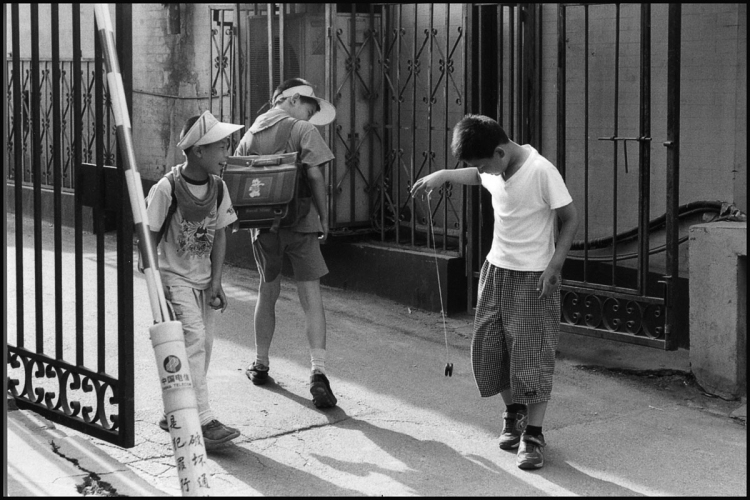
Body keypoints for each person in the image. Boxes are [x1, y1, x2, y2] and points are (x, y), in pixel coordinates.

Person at [411, 114, 578, 470]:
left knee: (531, 354)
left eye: (487, 164)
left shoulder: (540, 171)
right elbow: (476, 174)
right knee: (491, 348)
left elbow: (570, 217)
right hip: (496, 270)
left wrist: (555, 265)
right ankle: (512, 413)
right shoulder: (492, 167)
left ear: (501, 152)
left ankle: (533, 434)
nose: (484, 172)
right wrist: (443, 176)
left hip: (534, 276)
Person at [234, 78, 338, 408]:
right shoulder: (301, 130)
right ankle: (318, 373)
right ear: (294, 100)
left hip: (263, 226)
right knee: (311, 296)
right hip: (302, 222)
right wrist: (324, 218)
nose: (310, 116)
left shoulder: (250, 134)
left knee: (268, 291)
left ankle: (260, 363)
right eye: (309, 108)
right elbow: (316, 176)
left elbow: (236, 175)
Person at [145, 110, 243, 449]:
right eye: (221, 147)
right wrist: (153, 280)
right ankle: (203, 420)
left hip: (202, 281)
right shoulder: (167, 187)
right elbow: (147, 234)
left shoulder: (218, 187)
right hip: (174, 278)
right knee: (195, 339)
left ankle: (173, 409)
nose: (226, 155)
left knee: (203, 344)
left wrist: (217, 282)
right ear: (199, 151)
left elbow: (220, 235)